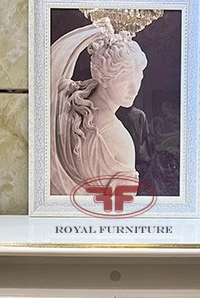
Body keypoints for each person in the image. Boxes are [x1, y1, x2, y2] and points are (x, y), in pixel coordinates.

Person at [50, 17, 147, 195]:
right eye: (125, 81)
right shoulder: (119, 140)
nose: (134, 90)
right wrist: (95, 30)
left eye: (138, 80)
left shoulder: (64, 98)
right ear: (104, 78)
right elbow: (124, 201)